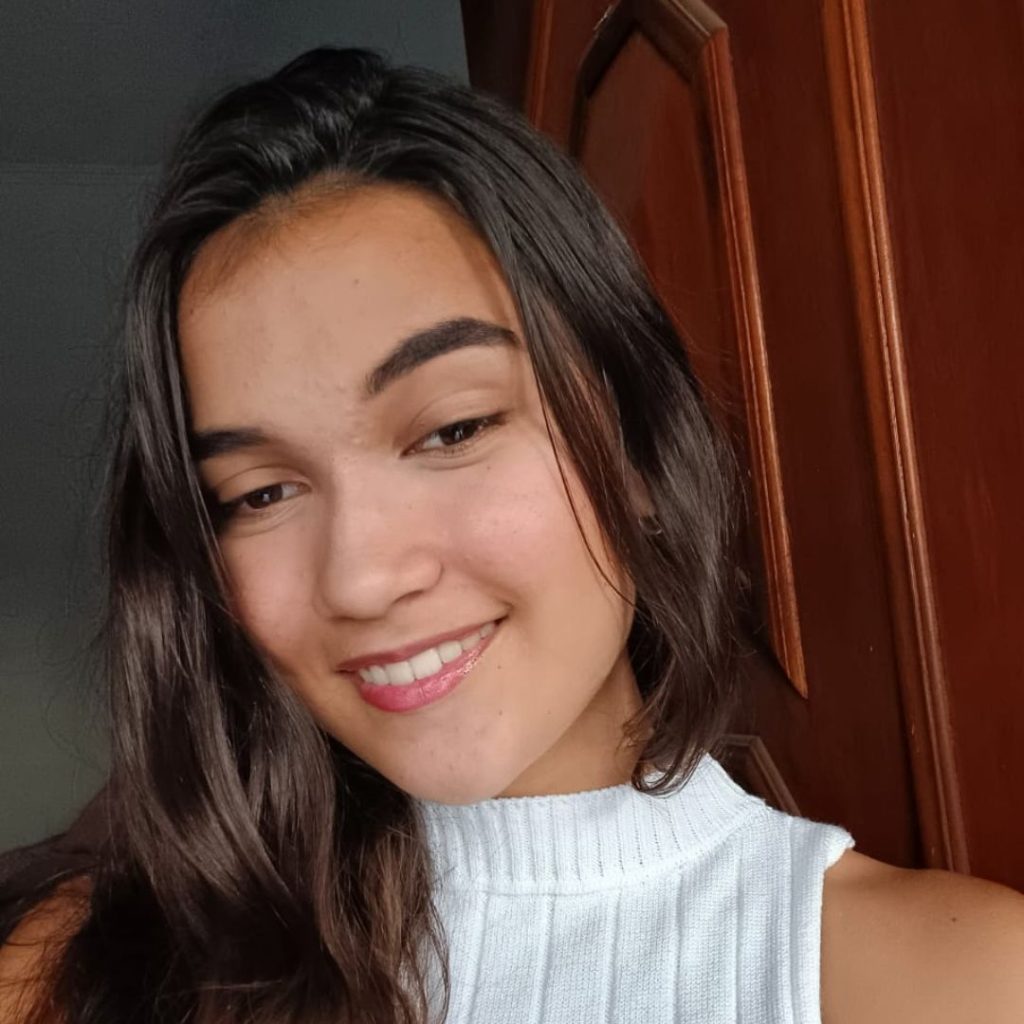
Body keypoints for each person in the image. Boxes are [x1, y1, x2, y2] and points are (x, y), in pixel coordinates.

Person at [0, 46, 1021, 1024]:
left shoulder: (950, 982)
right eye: (259, 493)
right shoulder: (77, 973)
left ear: (637, 446)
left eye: (454, 429)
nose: (361, 577)